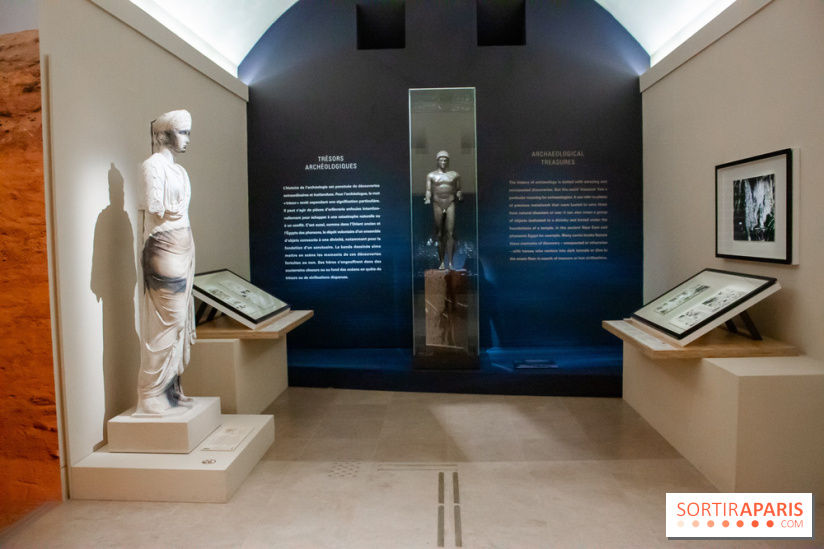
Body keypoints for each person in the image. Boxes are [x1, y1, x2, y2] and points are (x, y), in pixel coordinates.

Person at [134, 110, 196, 416]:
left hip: (183, 246)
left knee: (180, 323)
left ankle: (170, 388)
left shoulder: (180, 172)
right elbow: (154, 209)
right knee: (165, 324)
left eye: (187, 133)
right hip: (162, 246)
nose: (186, 139)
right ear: (164, 135)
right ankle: (148, 394)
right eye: (182, 132)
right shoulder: (152, 167)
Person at [424, 150, 462, 270]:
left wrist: (460, 195)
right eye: (441, 159)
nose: (443, 162)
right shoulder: (431, 175)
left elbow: (458, 189)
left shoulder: (455, 175)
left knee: (450, 233)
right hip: (437, 203)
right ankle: (441, 262)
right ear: (437, 161)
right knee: (440, 234)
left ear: (448, 161)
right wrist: (427, 198)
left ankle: (450, 262)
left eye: (445, 159)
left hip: (450, 203)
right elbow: (429, 190)